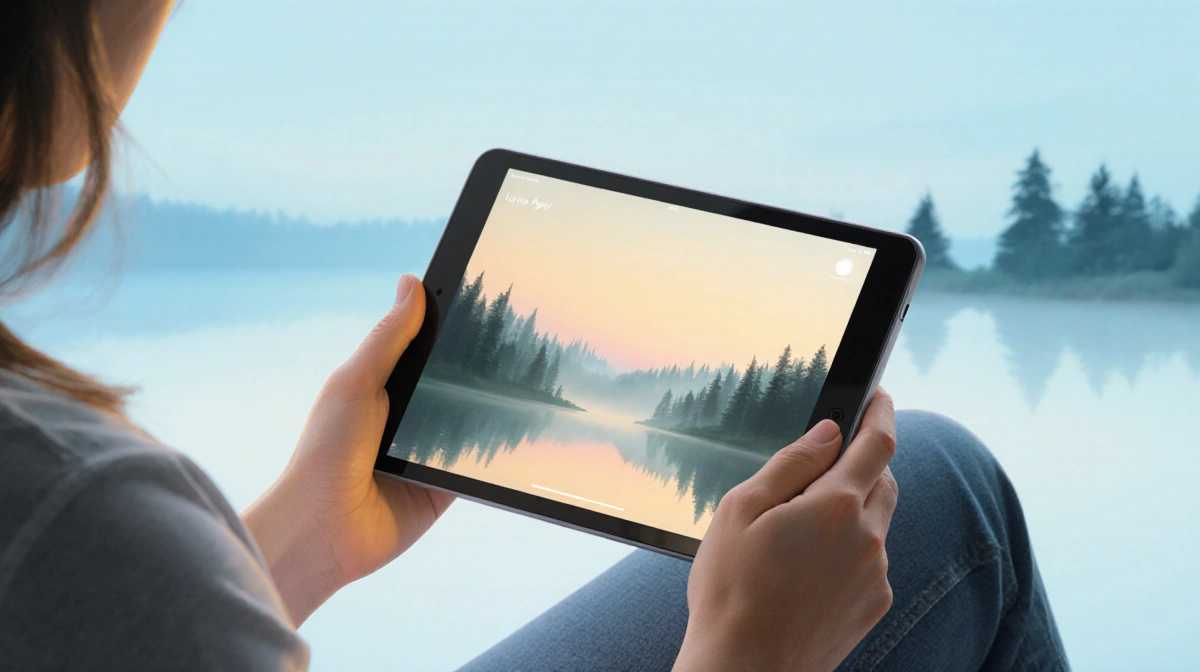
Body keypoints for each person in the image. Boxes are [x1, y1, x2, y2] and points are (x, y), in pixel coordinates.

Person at [0, 2, 1068, 670]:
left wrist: (294, 543)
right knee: (950, 503)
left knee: (934, 474)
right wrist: (753, 656)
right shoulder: (73, 505)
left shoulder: (73, 515)